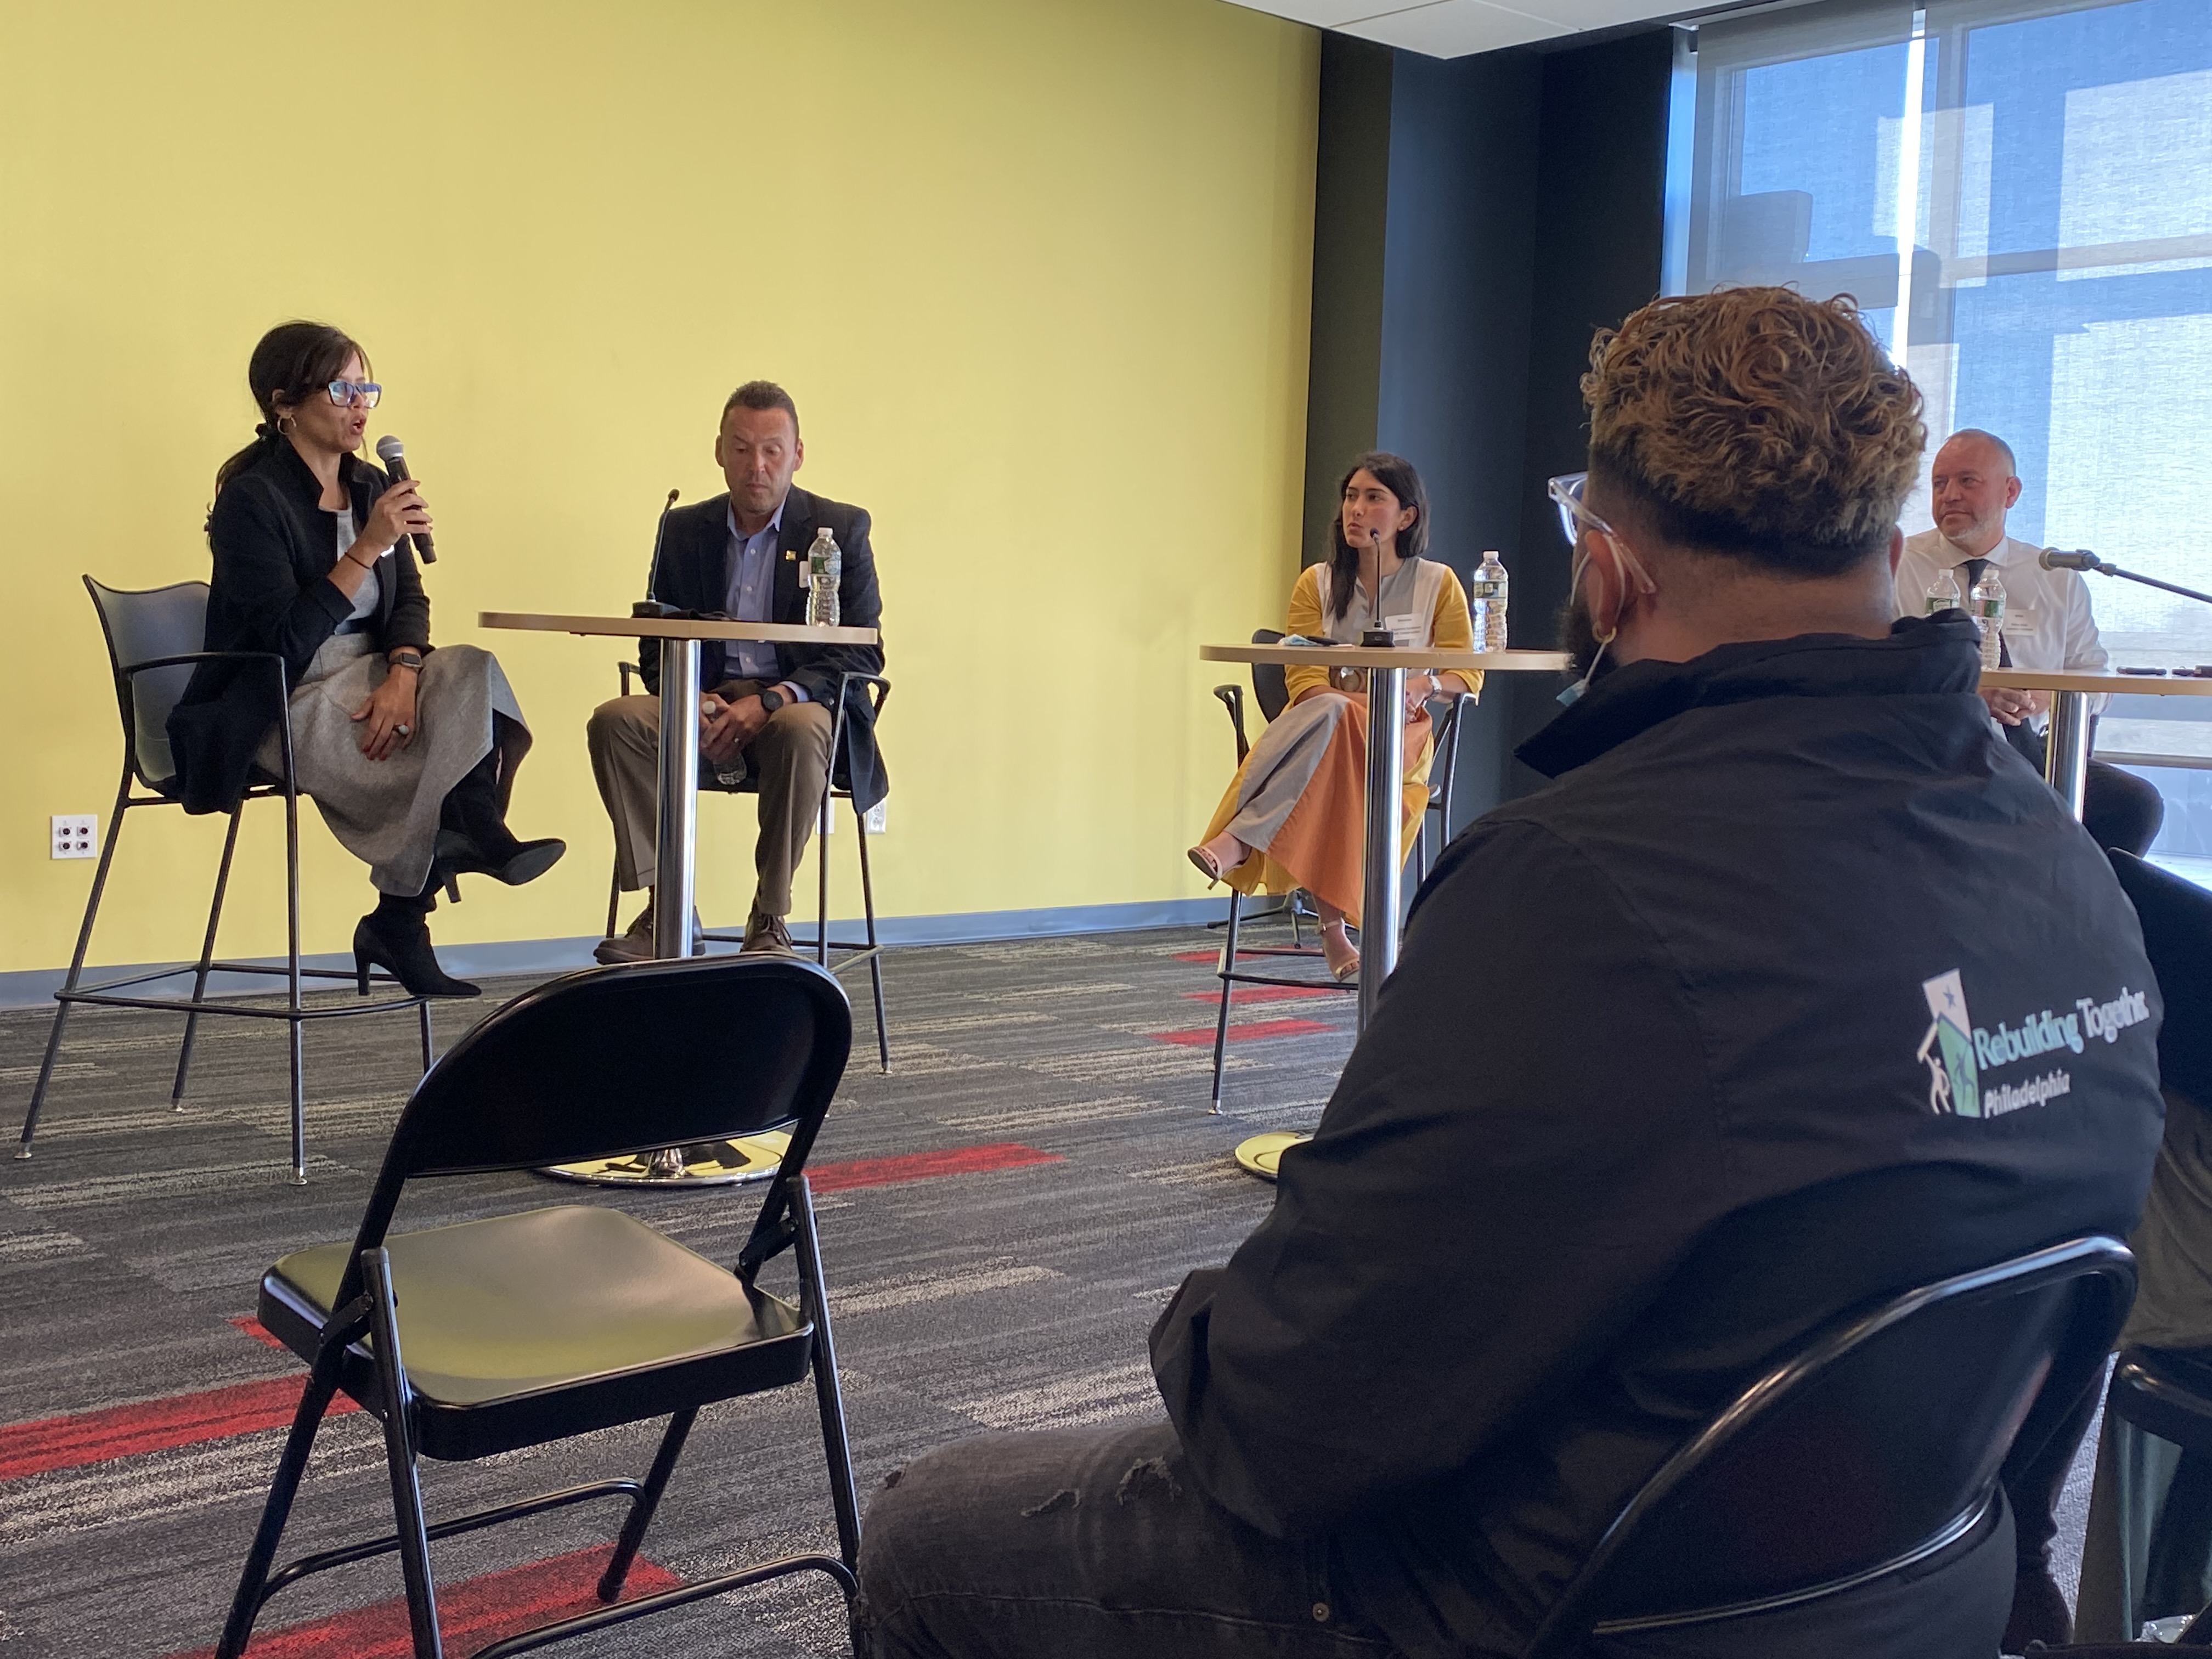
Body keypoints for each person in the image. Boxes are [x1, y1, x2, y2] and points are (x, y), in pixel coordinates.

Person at [854, 288, 2166, 1659]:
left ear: (1608, 569)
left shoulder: (1581, 886)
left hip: (1528, 1609)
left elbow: (1281, 1422)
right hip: (1899, 1590)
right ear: (1886, 549)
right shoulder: (2067, 869)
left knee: (924, 1533)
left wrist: (1200, 1322)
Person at [168, 321, 562, 999]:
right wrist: (367, 546)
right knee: (446, 757)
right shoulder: (251, 500)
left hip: (380, 672)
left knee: (473, 671)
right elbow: (282, 640)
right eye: (343, 388)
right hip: (282, 692)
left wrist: (406, 674)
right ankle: (414, 904)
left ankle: (454, 851)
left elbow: (410, 597)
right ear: (284, 402)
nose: (361, 406)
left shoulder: (372, 481)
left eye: (367, 388)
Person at [588, 380, 885, 961]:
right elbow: (657, 643)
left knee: (802, 729)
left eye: (773, 450)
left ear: (797, 455)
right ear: (719, 451)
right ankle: (669, 907)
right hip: (704, 702)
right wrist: (695, 700)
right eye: (742, 448)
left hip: (792, 710)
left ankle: (770, 918)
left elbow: (863, 652)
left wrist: (771, 701)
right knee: (615, 720)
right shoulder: (683, 529)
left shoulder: (840, 530)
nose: (757, 466)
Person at [1187, 452, 1477, 981]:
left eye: (1373, 498)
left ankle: (1239, 841)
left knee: (1333, 723)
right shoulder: (1316, 583)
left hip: (1400, 734)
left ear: (1406, 517)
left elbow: (1468, 675)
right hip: (1329, 727)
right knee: (1332, 718)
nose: (1356, 509)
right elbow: (1303, 678)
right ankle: (1334, 931)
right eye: (1350, 496)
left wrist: (1421, 684)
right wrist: (1350, 702)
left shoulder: (1439, 583)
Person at [1894, 427, 2165, 855]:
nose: (1949, 495)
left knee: (2135, 804)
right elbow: (1880, 667)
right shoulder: (1897, 566)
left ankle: (2086, 918)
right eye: (1939, 483)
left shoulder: (2054, 576)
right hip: (1936, 750)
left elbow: (2096, 678)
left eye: (1967, 481)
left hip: (2032, 754)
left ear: (2011, 492)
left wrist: (2042, 697)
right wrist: (1966, 693)